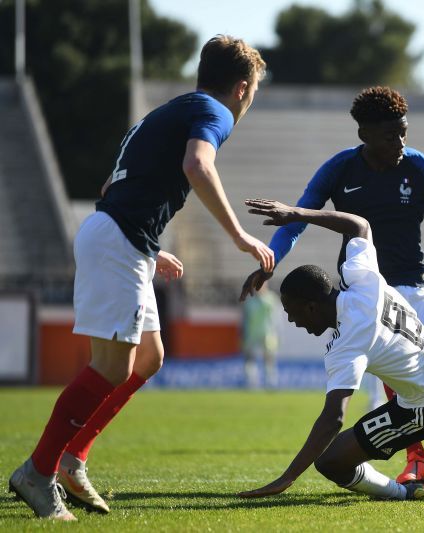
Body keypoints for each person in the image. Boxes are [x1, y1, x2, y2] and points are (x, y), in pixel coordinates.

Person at [8, 35, 274, 520]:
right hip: (118, 242)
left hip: (119, 237)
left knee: (147, 359)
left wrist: (151, 251)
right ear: (241, 88)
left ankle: (73, 457)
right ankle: (38, 471)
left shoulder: (162, 114)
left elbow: (113, 186)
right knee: (111, 367)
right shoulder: (214, 113)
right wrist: (239, 236)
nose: (249, 101)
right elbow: (197, 165)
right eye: (253, 92)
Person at [240, 86, 424, 488]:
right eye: (391, 135)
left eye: (404, 132)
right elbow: (295, 222)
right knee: (399, 378)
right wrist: (270, 261)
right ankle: (418, 464)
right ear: (364, 136)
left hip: (416, 287)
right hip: (366, 291)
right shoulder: (339, 169)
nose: (401, 143)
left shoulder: (419, 166)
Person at [237, 199, 424, 501]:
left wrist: (286, 478)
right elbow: (358, 224)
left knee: (330, 463)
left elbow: (333, 418)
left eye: (292, 311)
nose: (290, 319)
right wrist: (298, 214)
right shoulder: (360, 277)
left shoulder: (347, 343)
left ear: (312, 306)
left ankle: (402, 492)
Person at [241, 281, 282, 388]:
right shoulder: (249, 301)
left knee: (269, 359)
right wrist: (243, 335)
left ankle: (271, 383)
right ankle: (252, 383)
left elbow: (277, 318)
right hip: (252, 334)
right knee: (250, 359)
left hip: (269, 334)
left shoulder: (271, 298)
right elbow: (245, 319)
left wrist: (277, 333)